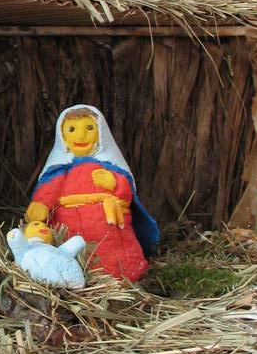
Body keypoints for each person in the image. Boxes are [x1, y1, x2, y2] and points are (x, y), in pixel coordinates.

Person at [25, 104, 158, 281]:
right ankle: (72, 277)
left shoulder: (111, 166)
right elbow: (49, 189)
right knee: (74, 252)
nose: (81, 136)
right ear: (63, 136)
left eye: (89, 128)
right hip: (70, 223)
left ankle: (124, 275)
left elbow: (127, 194)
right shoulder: (59, 170)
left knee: (114, 252)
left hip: (109, 222)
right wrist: (41, 203)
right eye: (72, 129)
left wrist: (114, 183)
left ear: (100, 133)